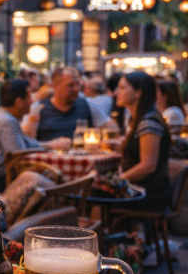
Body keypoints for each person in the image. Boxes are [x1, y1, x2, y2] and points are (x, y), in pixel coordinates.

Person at [0, 79, 69, 188]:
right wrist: (50, 147)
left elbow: (24, 143)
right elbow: (20, 156)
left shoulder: (2, 116)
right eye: (29, 97)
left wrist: (51, 145)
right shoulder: (6, 121)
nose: (32, 101)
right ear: (19, 102)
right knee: (52, 178)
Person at [116, 72, 170, 212]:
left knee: (95, 195)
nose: (117, 92)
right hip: (138, 186)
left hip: (148, 192)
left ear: (138, 93)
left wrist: (118, 180)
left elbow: (148, 166)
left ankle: (109, 233)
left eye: (122, 88)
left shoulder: (148, 122)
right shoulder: (136, 119)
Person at [24, 67, 104, 142]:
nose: (76, 89)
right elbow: (27, 141)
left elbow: (108, 128)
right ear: (55, 85)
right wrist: (50, 145)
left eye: (78, 85)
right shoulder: (38, 108)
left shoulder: (87, 104)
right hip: (50, 156)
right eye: (70, 85)